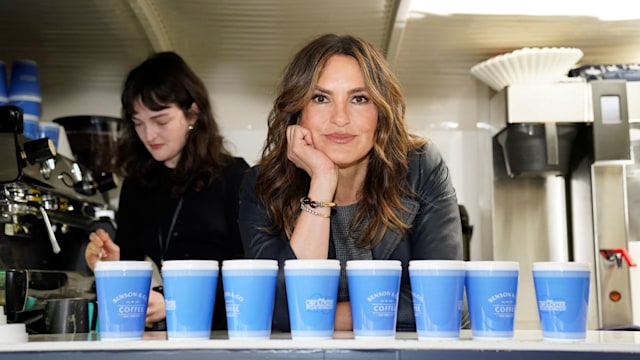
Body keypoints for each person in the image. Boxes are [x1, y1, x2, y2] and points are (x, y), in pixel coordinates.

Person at [238, 33, 463, 332]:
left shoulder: (421, 167)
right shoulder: (263, 184)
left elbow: (445, 301)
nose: (340, 118)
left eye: (359, 99)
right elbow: (276, 305)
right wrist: (322, 180)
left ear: (381, 112)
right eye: (320, 98)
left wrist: (320, 316)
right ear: (297, 113)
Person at [85, 51, 249, 330]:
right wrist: (113, 267)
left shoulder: (235, 177)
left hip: (228, 333)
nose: (149, 135)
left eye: (160, 121)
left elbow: (250, 278)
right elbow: (132, 283)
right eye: (138, 123)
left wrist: (174, 302)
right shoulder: (137, 185)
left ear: (193, 114)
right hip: (170, 334)